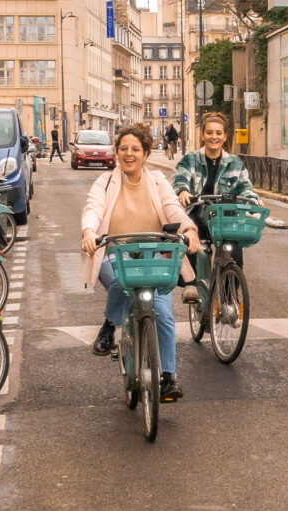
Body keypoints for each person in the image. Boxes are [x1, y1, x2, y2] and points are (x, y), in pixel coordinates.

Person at [81, 124, 201, 403]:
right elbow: (93, 207)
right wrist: (89, 231)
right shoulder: (106, 182)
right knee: (123, 285)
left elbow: (172, 207)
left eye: (135, 149)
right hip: (116, 254)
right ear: (116, 152)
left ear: (146, 153)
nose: (129, 154)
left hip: (153, 256)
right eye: (123, 148)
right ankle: (109, 327)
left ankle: (168, 377)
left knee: (163, 313)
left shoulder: (158, 181)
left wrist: (189, 229)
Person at [173, 111, 259, 300]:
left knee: (234, 248)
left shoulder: (235, 163)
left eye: (218, 133)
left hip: (224, 217)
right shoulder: (190, 159)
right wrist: (183, 191)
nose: (214, 137)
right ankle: (191, 284)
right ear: (203, 135)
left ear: (225, 136)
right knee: (190, 233)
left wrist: (252, 199)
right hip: (197, 214)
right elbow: (181, 177)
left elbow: (245, 187)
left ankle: (230, 297)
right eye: (210, 132)